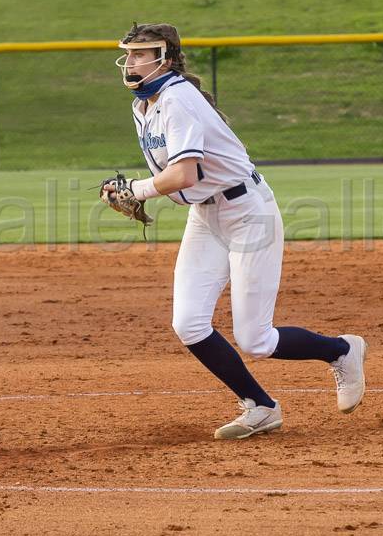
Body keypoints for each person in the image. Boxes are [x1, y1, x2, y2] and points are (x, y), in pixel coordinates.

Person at [104, 23, 368, 438]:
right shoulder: (143, 106)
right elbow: (181, 178)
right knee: (189, 324)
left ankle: (342, 350)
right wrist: (140, 192)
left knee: (256, 338)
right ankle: (260, 406)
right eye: (129, 53)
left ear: (166, 58)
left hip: (248, 214)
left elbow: (185, 173)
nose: (131, 61)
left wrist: (136, 190)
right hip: (206, 218)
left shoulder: (178, 100)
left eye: (141, 53)